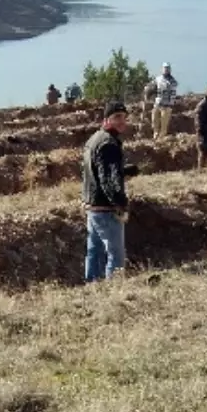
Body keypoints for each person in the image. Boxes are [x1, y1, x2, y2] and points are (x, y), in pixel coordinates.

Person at [81, 100, 131, 282]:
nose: (122, 121)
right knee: (115, 253)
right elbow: (106, 179)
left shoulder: (93, 139)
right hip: (105, 207)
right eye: (117, 117)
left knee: (94, 251)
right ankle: (115, 289)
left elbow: (94, 170)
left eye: (124, 117)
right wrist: (120, 203)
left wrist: (124, 171)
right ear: (107, 119)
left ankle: (92, 284)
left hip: (92, 205)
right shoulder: (109, 144)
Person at [151, 63, 179, 139]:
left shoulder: (172, 81)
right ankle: (155, 135)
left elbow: (173, 90)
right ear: (162, 69)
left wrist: (170, 103)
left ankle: (160, 139)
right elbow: (152, 86)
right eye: (165, 68)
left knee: (164, 124)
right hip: (158, 103)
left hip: (167, 105)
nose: (166, 70)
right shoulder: (158, 78)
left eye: (167, 68)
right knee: (154, 120)